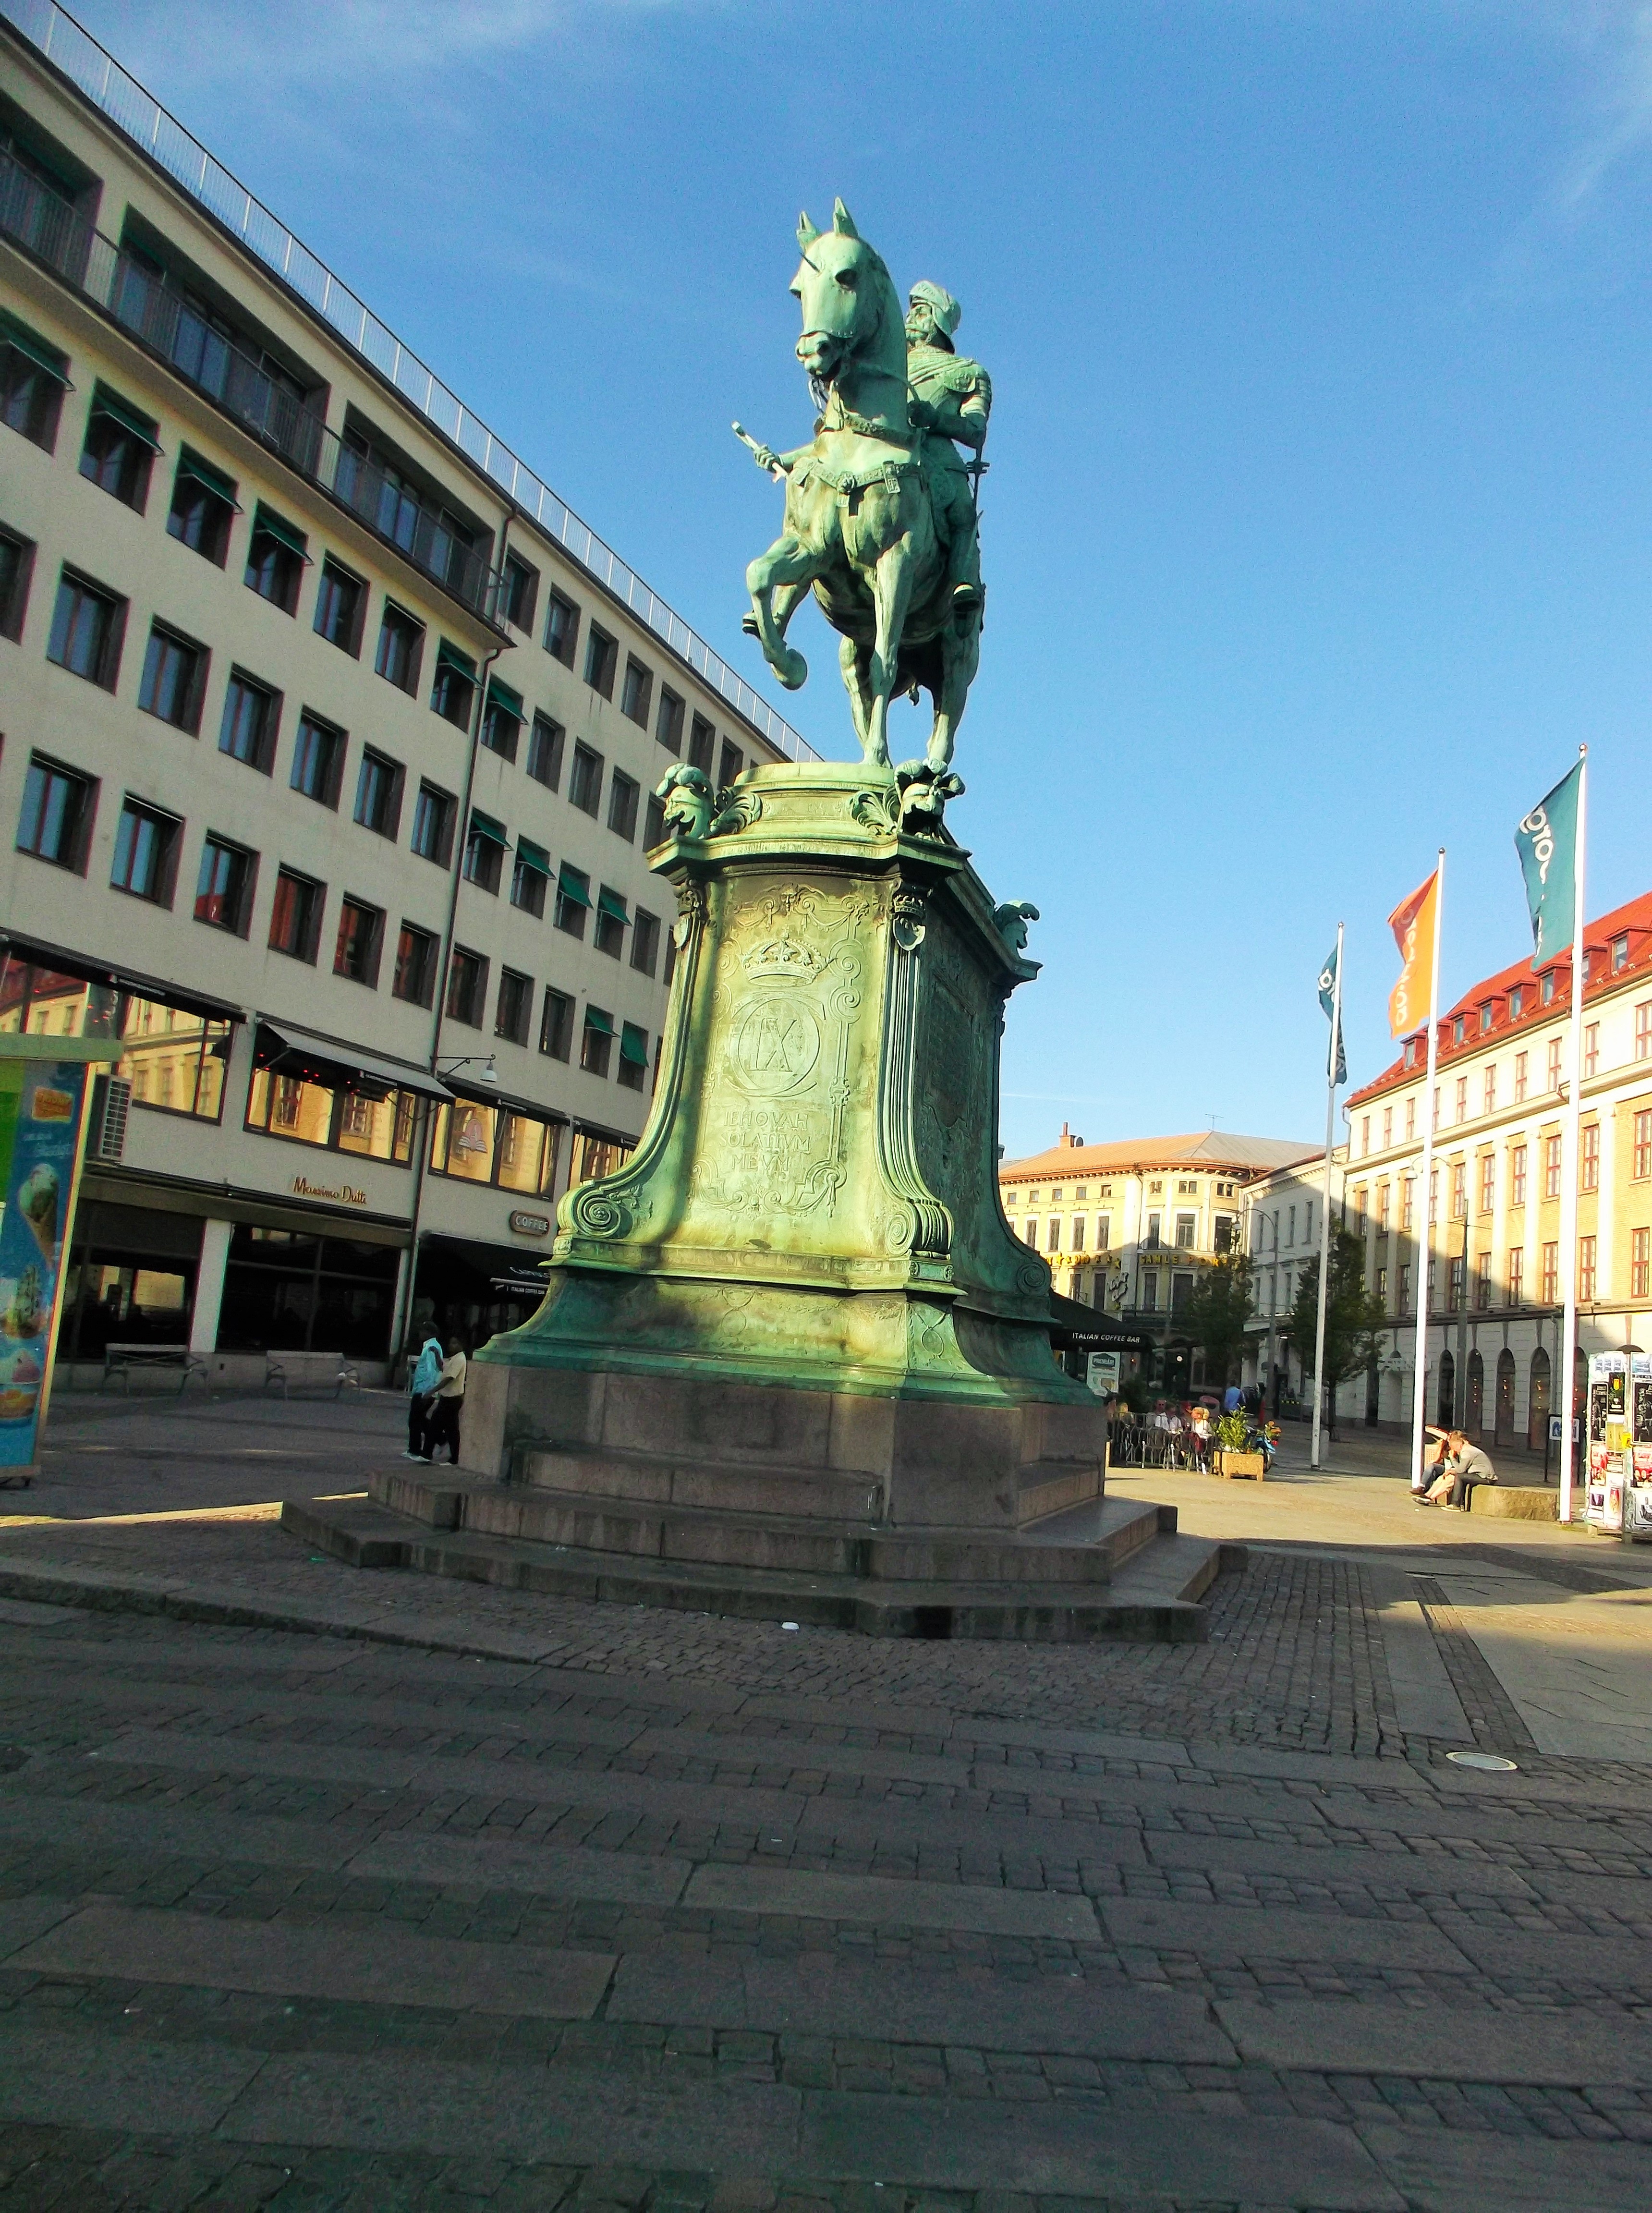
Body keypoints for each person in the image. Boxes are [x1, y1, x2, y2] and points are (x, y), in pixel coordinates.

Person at [904, 280, 991, 614]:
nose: (910, 318)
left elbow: (975, 431)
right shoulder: (885, 364)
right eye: (911, 311)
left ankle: (962, 581)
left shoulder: (969, 372)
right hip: (885, 443)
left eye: (921, 312)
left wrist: (935, 419)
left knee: (963, 515)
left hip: (937, 453)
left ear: (938, 321)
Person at [427, 1337, 468, 1466]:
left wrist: (432, 1391)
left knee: (451, 1429)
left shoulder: (460, 1359)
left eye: (454, 1343)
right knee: (437, 1426)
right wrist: (437, 1355)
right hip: (446, 1398)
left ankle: (454, 1458)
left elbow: (449, 1378)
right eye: (450, 1343)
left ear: (461, 1345)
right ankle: (427, 1453)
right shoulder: (452, 1359)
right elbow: (442, 1368)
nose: (451, 1346)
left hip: (453, 1399)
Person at [404, 1333, 444, 1462]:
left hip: (424, 1390)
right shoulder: (429, 1346)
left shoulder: (431, 1347)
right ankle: (438, 1439)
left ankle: (417, 1448)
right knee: (418, 1419)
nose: (420, 1334)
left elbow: (431, 1371)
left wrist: (427, 1392)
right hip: (422, 1388)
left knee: (415, 1419)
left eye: (423, 1331)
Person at [1442, 1429, 1497, 1511]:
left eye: (1454, 1448)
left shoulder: (1467, 1452)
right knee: (1462, 1478)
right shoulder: (1468, 1449)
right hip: (1480, 1475)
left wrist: (1453, 1458)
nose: (1454, 1451)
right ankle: (1461, 1505)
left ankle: (1456, 1504)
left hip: (1486, 1478)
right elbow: (1461, 1469)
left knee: (1459, 1477)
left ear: (1459, 1445)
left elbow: (1461, 1470)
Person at [1412, 1424, 1450, 1503]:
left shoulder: (1453, 1449)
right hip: (1443, 1467)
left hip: (1449, 1468)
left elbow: (1436, 1460)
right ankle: (1423, 1488)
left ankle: (1423, 1488)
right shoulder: (1444, 1446)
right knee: (1433, 1471)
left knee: (1432, 1466)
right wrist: (1440, 1447)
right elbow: (1436, 1459)